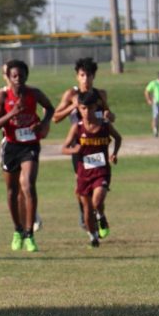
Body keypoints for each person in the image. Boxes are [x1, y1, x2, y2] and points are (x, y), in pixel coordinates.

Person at [0, 59, 54, 252]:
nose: (18, 79)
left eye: (21, 76)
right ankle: (17, 230)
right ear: (9, 77)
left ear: (26, 76)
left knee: (29, 184)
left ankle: (30, 234)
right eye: (14, 76)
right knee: (12, 191)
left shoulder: (34, 93)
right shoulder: (2, 97)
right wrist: (11, 113)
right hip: (11, 146)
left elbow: (50, 108)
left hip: (29, 145)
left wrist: (43, 123)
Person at [52, 57, 115, 230]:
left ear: (94, 76)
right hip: (79, 147)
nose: (85, 79)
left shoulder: (100, 95)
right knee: (79, 187)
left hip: (98, 145)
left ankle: (98, 213)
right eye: (82, 75)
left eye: (89, 75)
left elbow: (110, 115)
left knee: (99, 184)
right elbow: (55, 118)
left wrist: (110, 116)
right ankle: (85, 215)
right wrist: (72, 107)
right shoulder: (71, 95)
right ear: (77, 77)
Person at [61, 89, 122, 247]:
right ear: (79, 109)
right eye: (83, 108)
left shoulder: (104, 125)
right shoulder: (77, 128)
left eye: (90, 108)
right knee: (87, 209)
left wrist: (114, 153)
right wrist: (74, 150)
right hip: (83, 173)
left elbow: (118, 138)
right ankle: (93, 236)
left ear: (96, 107)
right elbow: (64, 148)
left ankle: (100, 215)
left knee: (97, 200)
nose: (87, 112)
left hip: (101, 171)